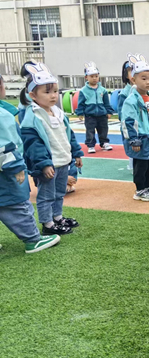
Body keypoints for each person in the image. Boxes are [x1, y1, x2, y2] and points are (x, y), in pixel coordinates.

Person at [19, 63, 84, 235]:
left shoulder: (58, 113)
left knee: (59, 193)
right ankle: (48, 224)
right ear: (33, 95)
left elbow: (68, 136)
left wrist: (76, 153)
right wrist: (44, 164)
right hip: (49, 165)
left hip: (62, 161)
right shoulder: (33, 117)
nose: (53, 95)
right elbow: (33, 145)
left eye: (55, 91)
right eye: (47, 92)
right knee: (46, 195)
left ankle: (57, 217)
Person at [0, 74, 61, 253]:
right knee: (16, 204)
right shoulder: (3, 116)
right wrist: (17, 167)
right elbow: (6, 146)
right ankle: (32, 239)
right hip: (6, 172)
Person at [121, 54, 149, 202]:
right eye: (144, 78)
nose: (148, 82)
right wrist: (134, 139)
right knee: (141, 164)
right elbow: (128, 121)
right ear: (134, 80)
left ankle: (148, 186)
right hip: (141, 137)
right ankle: (140, 189)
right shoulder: (131, 100)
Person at [76, 62, 114, 154]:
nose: (94, 78)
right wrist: (80, 113)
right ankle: (91, 145)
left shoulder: (103, 90)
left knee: (103, 129)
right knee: (90, 130)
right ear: (86, 77)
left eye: (96, 76)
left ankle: (104, 142)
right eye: (92, 76)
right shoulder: (84, 91)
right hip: (90, 115)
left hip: (102, 114)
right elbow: (80, 103)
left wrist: (109, 111)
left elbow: (106, 102)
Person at [118, 59, 135, 171]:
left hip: (144, 124)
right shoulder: (124, 93)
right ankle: (133, 166)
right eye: (131, 71)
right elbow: (121, 113)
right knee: (133, 145)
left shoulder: (144, 91)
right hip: (131, 124)